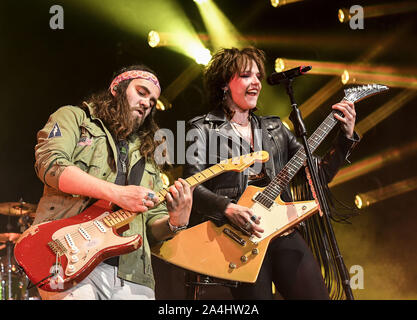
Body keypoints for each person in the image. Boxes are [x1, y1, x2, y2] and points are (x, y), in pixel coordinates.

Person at [184, 47, 360, 300]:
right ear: (224, 83)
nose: (256, 81)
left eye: (258, 75)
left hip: (282, 231)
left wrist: (344, 138)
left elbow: (318, 175)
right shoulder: (202, 129)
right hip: (238, 237)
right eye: (246, 75)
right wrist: (228, 208)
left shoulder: (275, 128)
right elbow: (191, 186)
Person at [32, 64, 193, 300]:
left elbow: (151, 227)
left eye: (152, 100)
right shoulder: (74, 118)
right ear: (117, 88)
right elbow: (51, 164)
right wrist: (116, 194)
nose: (147, 103)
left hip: (134, 274)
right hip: (69, 255)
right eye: (141, 92)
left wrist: (175, 222)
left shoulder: (151, 150)